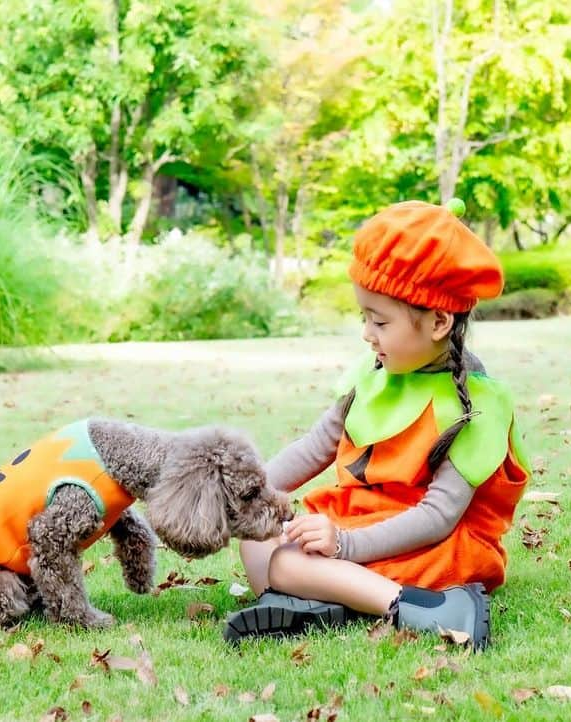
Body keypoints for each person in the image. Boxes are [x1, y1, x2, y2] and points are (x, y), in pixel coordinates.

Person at [224, 199, 530, 650]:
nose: (367, 334)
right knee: (258, 533)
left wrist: (344, 546)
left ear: (439, 322)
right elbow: (314, 447)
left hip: (433, 543)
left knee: (288, 565)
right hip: (364, 523)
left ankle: (438, 609)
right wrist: (244, 494)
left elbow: (437, 518)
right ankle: (324, 600)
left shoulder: (477, 405)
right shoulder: (371, 376)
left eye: (380, 321)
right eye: (364, 317)